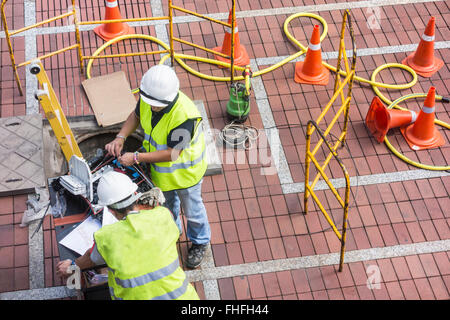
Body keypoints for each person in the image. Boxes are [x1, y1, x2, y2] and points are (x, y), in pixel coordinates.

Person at [105, 64, 210, 269]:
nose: (151, 106)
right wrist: (120, 136)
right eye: (148, 101)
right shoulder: (149, 98)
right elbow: (135, 116)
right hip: (162, 174)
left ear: (168, 99)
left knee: (193, 211)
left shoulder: (184, 117)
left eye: (156, 105)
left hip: (185, 175)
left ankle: (200, 242)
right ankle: (173, 231)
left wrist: (136, 157)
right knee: (167, 208)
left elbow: (172, 153)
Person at [56, 171, 199, 300]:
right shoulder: (163, 215)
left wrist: (73, 266)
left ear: (111, 211)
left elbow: (91, 258)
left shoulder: (106, 237)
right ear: (136, 195)